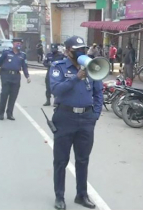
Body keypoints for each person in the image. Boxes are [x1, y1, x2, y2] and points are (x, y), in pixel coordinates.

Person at [49, 35, 103, 210]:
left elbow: (98, 93)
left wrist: (94, 115)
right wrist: (75, 78)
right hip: (65, 117)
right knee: (61, 160)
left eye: (82, 49)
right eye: (76, 50)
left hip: (86, 120)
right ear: (67, 51)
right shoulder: (59, 67)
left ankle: (81, 195)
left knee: (82, 160)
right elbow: (56, 90)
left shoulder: (92, 67)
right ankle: (59, 196)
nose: (80, 53)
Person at [0, 38, 31, 121]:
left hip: (16, 76)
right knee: (4, 94)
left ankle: (9, 113)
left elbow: (24, 67)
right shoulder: (6, 53)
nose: (19, 45)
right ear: (13, 43)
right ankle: (1, 113)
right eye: (17, 43)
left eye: (20, 44)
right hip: (6, 75)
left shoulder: (22, 55)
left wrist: (27, 76)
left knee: (13, 96)